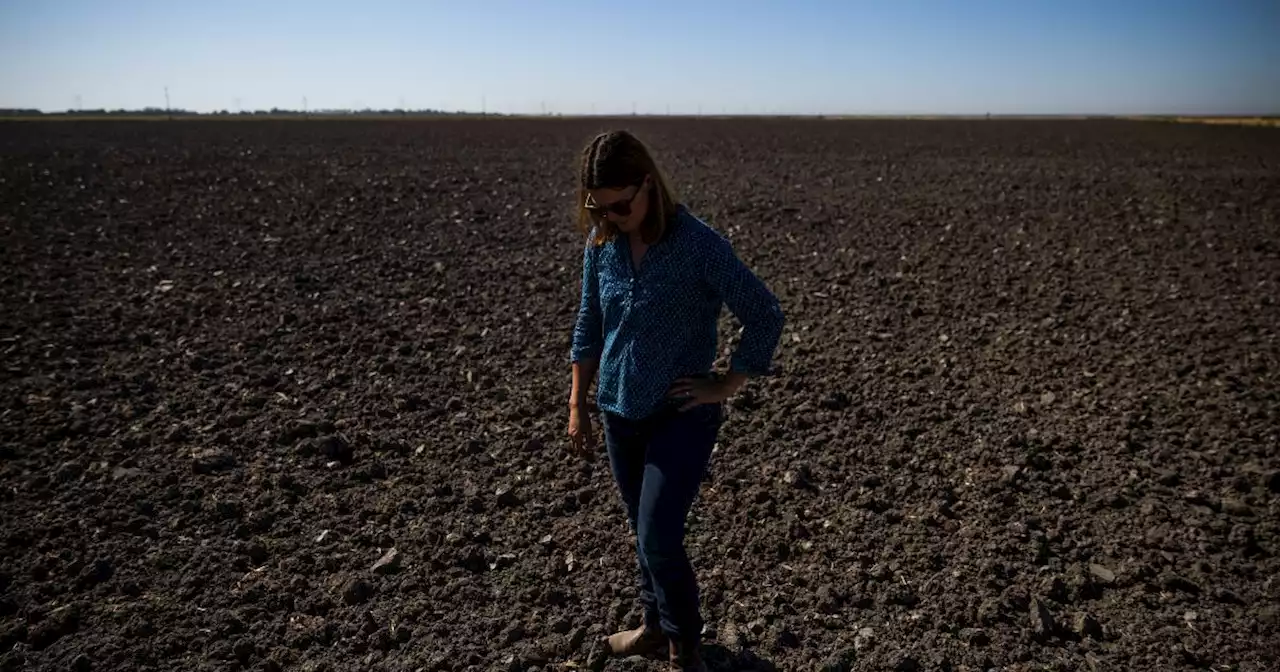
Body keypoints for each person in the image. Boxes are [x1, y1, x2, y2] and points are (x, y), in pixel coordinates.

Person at [566, 129, 785, 671]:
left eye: (622, 203)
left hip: (681, 413)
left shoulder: (696, 243)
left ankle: (686, 650)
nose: (612, 214)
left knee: (659, 532)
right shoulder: (602, 246)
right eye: (600, 205)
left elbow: (763, 312)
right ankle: (654, 630)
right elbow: (589, 325)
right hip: (619, 411)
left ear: (648, 183)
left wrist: (728, 382)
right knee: (643, 533)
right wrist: (577, 403)